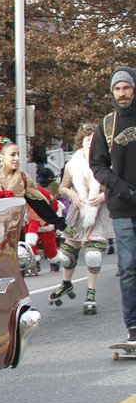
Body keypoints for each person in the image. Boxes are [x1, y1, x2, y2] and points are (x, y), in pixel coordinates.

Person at [89, 65, 136, 341]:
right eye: (117, 89)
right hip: (121, 207)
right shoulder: (107, 124)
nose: (122, 93)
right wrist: (123, 189)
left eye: (126, 87)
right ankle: (133, 326)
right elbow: (98, 165)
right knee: (129, 268)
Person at [51, 124, 112, 312]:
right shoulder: (73, 163)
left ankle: (91, 294)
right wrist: (72, 195)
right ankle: (66, 283)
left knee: (93, 256)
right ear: (81, 141)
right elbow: (62, 187)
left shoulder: (108, 162)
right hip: (79, 209)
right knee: (67, 256)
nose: (89, 142)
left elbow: (117, 184)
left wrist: (104, 195)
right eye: (86, 138)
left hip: (99, 210)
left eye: (93, 138)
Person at [0, 136, 69, 232]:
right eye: (12, 154)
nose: (17, 158)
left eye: (18, 154)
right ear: (1, 157)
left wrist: (60, 224)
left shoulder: (22, 178)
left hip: (13, 232)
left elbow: (39, 204)